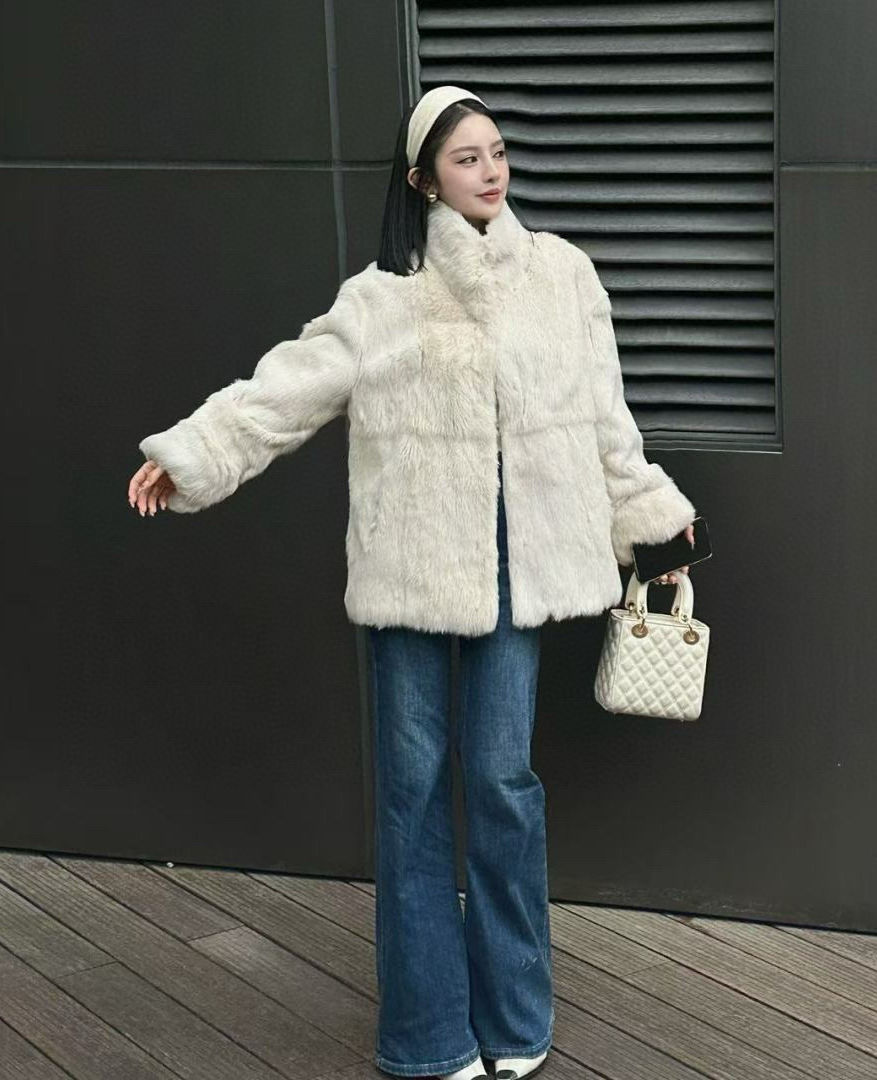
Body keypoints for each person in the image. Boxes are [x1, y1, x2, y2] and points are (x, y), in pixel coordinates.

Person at [128, 85, 696, 1080]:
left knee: (503, 783)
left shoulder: (563, 274)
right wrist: (193, 455)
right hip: (411, 570)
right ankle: (427, 1037)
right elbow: (285, 388)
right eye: (467, 157)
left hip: (522, 572)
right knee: (412, 792)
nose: (490, 170)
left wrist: (651, 521)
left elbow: (608, 420)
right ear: (422, 177)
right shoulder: (382, 296)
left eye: (497, 151)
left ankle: (515, 1018)